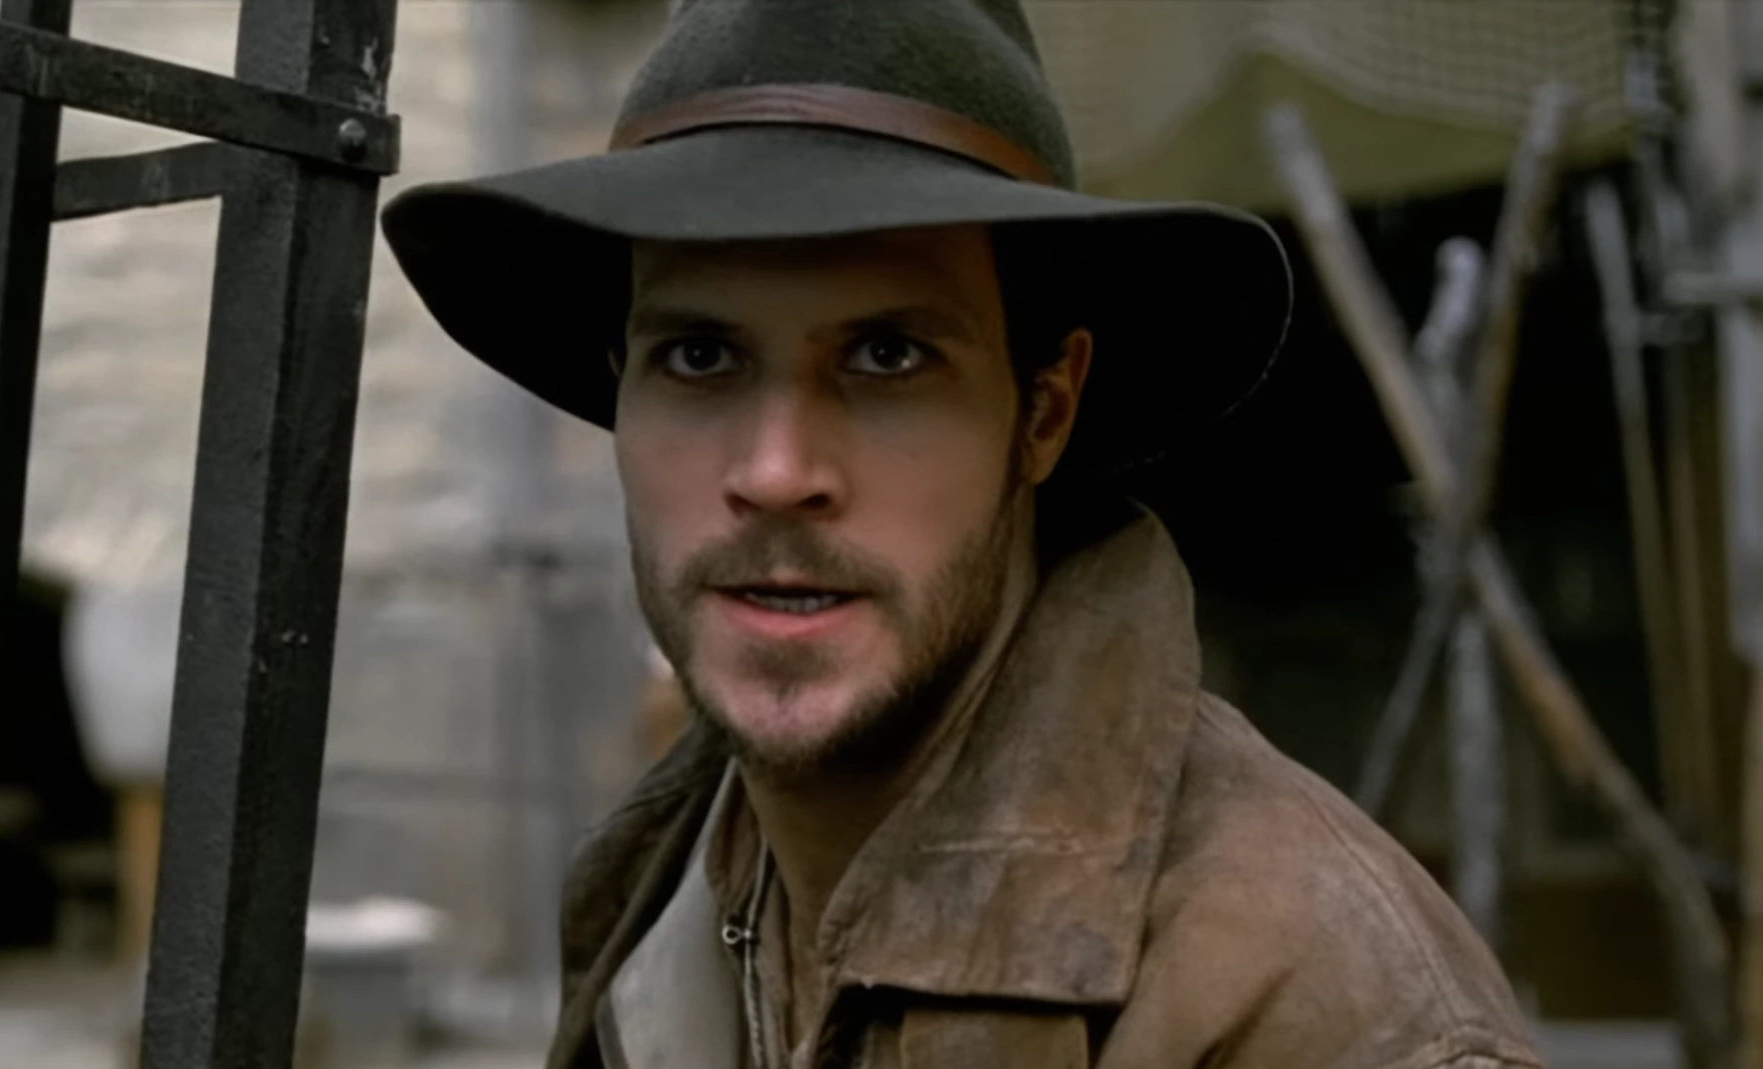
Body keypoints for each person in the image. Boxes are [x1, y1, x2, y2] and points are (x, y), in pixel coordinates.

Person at [381, 1, 1542, 1066]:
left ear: (1042, 412)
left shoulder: (1318, 1010)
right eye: (699, 354)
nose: (777, 473)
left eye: (888, 355)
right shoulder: (663, 889)